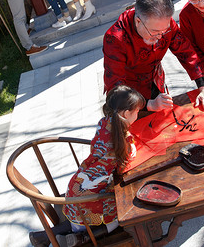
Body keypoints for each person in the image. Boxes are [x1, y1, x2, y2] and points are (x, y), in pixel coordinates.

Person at [29, 85, 146, 247]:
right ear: (126, 113)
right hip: (91, 201)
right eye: (137, 112)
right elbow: (124, 166)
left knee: (78, 221)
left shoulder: (104, 123)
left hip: (76, 189)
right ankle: (82, 238)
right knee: (125, 215)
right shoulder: (124, 140)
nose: (137, 115)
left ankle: (46, 237)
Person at [103, 0, 204, 112]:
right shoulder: (116, 38)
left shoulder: (164, 25)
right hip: (129, 94)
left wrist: (203, 86)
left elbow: (186, 52)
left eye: (163, 32)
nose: (159, 37)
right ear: (138, 21)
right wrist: (149, 105)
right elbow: (115, 86)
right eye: (154, 32)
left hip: (156, 81)